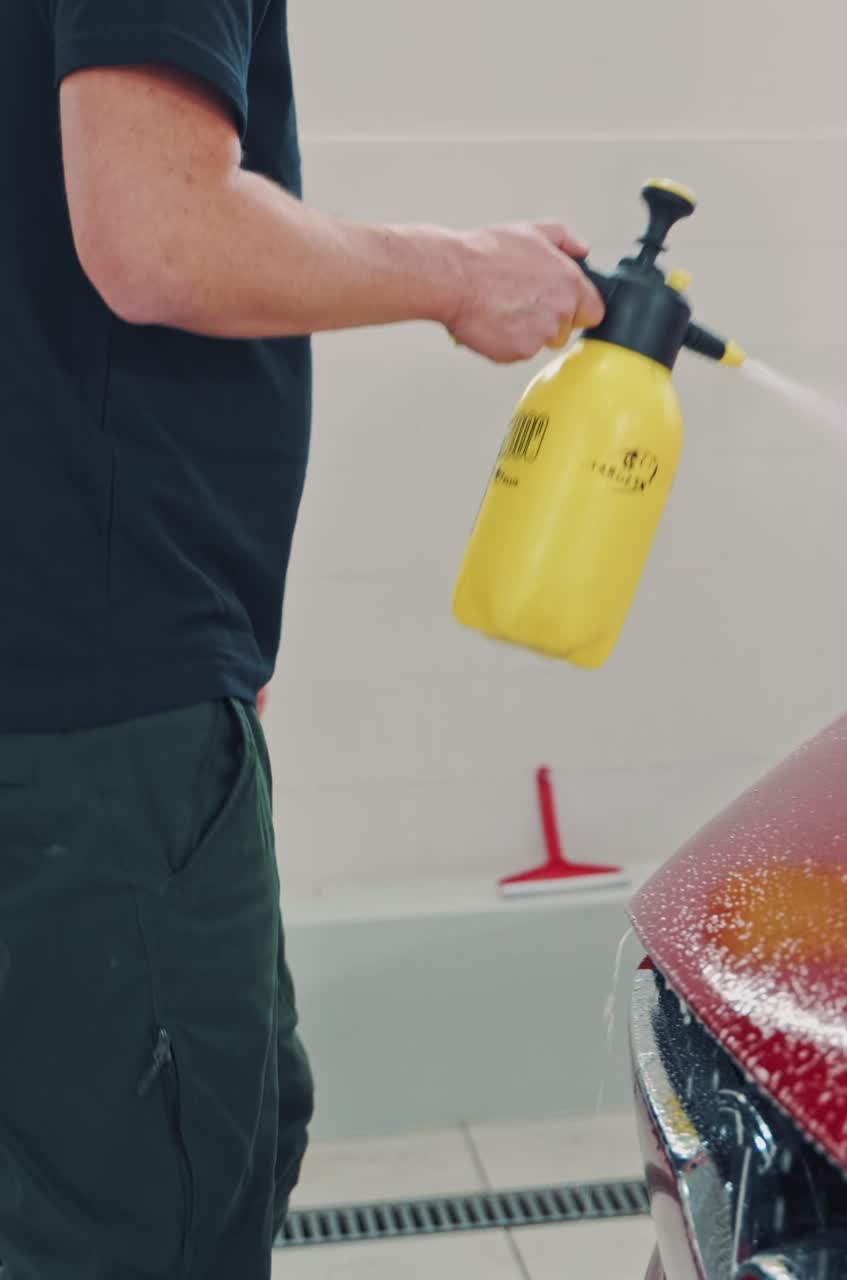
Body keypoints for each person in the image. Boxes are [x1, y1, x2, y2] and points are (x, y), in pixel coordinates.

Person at [0, 3, 605, 1277]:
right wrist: (457, 272)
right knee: (155, 1208)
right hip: (95, 723)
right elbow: (159, 236)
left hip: (95, 667)